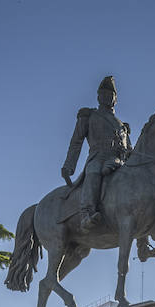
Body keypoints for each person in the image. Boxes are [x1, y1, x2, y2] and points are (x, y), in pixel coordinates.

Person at [62, 75, 131, 232]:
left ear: (115, 99)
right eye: (103, 94)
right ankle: (87, 214)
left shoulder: (123, 126)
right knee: (94, 171)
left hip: (119, 161)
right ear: (98, 97)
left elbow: (129, 151)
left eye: (110, 95)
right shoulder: (89, 116)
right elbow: (76, 142)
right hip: (98, 157)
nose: (107, 97)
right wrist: (68, 166)